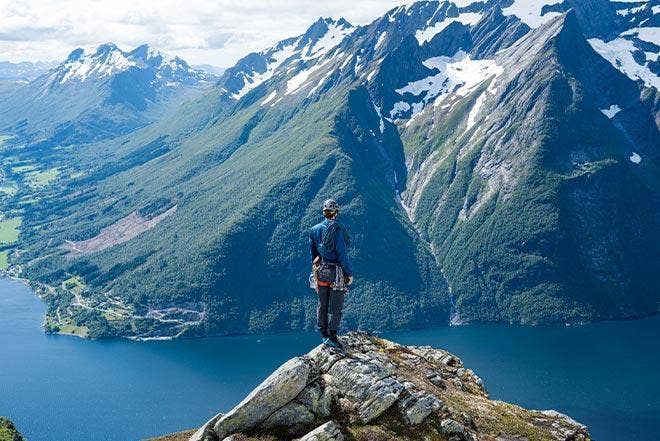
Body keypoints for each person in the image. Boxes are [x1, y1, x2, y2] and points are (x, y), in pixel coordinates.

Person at [309, 198, 353, 350]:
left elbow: (313, 254)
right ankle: (332, 335)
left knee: (322, 303)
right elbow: (342, 254)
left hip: (321, 272)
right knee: (336, 307)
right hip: (336, 273)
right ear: (336, 213)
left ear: (324, 212)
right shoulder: (337, 230)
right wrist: (349, 273)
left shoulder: (314, 230)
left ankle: (323, 334)